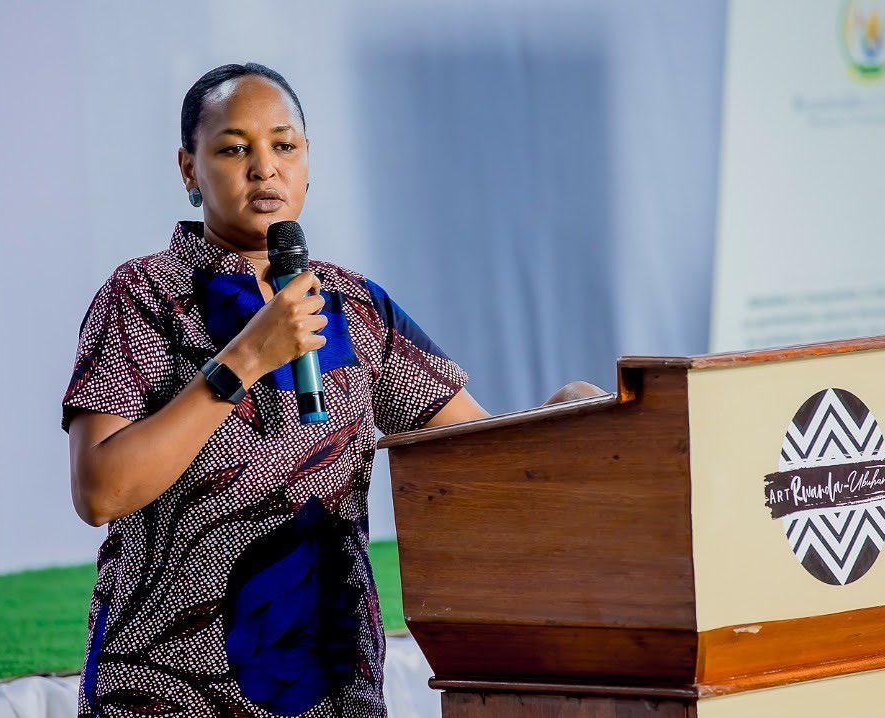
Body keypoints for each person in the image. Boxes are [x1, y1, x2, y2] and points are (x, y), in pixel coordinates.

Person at [62, 62, 604, 717]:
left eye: (283, 146)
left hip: (330, 690)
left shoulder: (354, 305)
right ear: (188, 167)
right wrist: (243, 361)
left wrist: (563, 424)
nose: (264, 168)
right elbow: (100, 490)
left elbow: (476, 450)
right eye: (235, 148)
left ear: (308, 160)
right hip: (167, 692)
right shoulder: (143, 298)